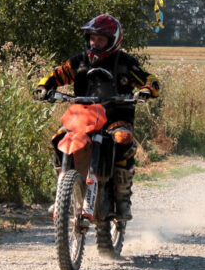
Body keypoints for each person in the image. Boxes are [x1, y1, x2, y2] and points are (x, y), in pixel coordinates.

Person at [32, 14, 161, 220]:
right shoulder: (79, 60)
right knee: (58, 138)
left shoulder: (125, 62)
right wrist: (43, 87)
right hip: (83, 117)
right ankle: (63, 194)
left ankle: (122, 198)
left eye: (100, 39)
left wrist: (146, 91)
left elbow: (150, 80)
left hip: (116, 117)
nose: (95, 43)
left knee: (123, 140)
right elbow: (56, 75)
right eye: (92, 38)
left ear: (113, 40)